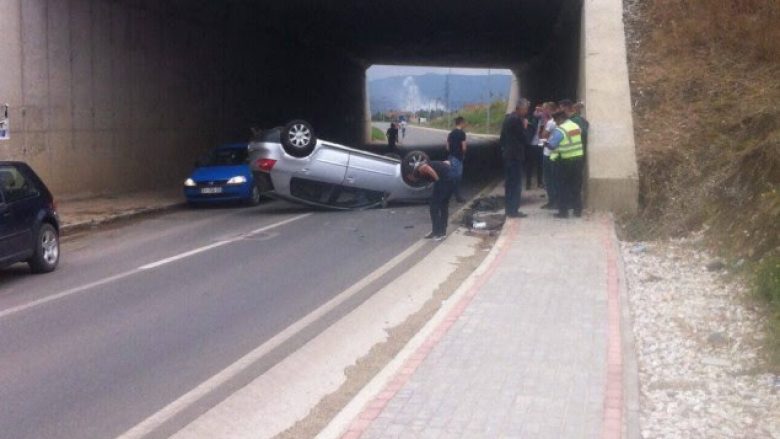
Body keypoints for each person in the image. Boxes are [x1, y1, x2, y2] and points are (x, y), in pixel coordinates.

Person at [546, 110, 585, 218]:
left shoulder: (560, 130)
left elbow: (552, 146)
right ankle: (578, 211)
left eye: (556, 120)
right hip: (578, 159)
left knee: (562, 187)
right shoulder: (576, 126)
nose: (556, 123)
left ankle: (563, 212)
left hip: (565, 161)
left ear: (560, 119)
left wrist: (546, 144)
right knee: (576, 186)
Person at [499, 99, 535, 218]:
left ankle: (509, 210)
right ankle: (514, 210)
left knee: (509, 184)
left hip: (508, 155)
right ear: (520, 108)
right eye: (525, 109)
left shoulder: (508, 119)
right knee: (515, 184)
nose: (526, 112)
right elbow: (525, 139)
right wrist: (526, 127)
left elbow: (502, 138)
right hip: (515, 156)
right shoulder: (517, 120)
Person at [409, 159, 454, 241]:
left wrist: (438, 181)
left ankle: (440, 233)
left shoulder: (421, 168)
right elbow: (447, 162)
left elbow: (428, 169)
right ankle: (437, 231)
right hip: (449, 180)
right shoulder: (430, 165)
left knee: (435, 207)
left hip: (444, 181)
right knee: (442, 206)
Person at [540, 102, 559, 210]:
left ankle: (552, 201)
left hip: (548, 153)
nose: (543, 112)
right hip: (556, 153)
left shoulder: (551, 123)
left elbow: (543, 136)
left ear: (549, 110)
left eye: (544, 109)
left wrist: (542, 145)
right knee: (555, 178)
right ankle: (556, 200)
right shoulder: (560, 122)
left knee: (548, 179)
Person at [447, 116, 467, 203]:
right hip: (458, 158)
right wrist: (463, 154)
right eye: (464, 123)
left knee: (451, 176)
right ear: (461, 123)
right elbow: (464, 148)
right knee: (457, 178)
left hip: (451, 157)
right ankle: (458, 196)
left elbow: (447, 147)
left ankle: (448, 195)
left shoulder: (450, 134)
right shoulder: (462, 134)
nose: (465, 124)